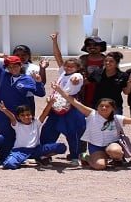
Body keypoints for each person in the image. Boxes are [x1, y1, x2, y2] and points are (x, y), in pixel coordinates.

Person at [51, 82, 131, 170]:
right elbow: (74, 102)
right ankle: (86, 157)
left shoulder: (117, 118)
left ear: (113, 108)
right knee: (99, 166)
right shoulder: (91, 114)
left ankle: (116, 159)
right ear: (97, 107)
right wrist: (60, 91)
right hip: (96, 145)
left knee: (115, 151)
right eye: (101, 106)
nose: (104, 108)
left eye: (107, 106)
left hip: (112, 145)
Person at [0, 55, 45, 160]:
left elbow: (41, 93)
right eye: (9, 67)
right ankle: (4, 156)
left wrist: (38, 82)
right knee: (4, 133)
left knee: (20, 134)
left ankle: (21, 155)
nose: (12, 69)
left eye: (15, 66)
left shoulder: (27, 79)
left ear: (20, 66)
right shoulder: (3, 75)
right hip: (2, 111)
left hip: (18, 112)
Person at [43, 32, 87, 165]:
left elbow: (75, 80)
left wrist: (74, 79)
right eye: (67, 66)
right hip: (56, 106)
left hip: (71, 106)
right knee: (49, 129)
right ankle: (45, 153)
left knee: (73, 132)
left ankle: (75, 156)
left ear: (78, 68)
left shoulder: (77, 76)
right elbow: (58, 57)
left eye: (72, 66)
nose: (68, 68)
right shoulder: (63, 73)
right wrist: (54, 41)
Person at [0, 100, 67, 169]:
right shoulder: (17, 125)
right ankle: (21, 159)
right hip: (20, 151)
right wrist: (5, 110)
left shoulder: (36, 123)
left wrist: (50, 103)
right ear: (18, 117)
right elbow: (12, 117)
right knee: (9, 164)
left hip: (36, 150)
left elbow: (44, 113)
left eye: (28, 115)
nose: (26, 117)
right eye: (23, 115)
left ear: (32, 115)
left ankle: (42, 157)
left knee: (61, 147)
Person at [79, 36, 108, 108]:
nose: (92, 46)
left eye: (95, 44)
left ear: (101, 47)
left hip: (102, 95)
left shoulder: (108, 60)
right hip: (84, 95)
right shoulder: (82, 59)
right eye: (89, 44)